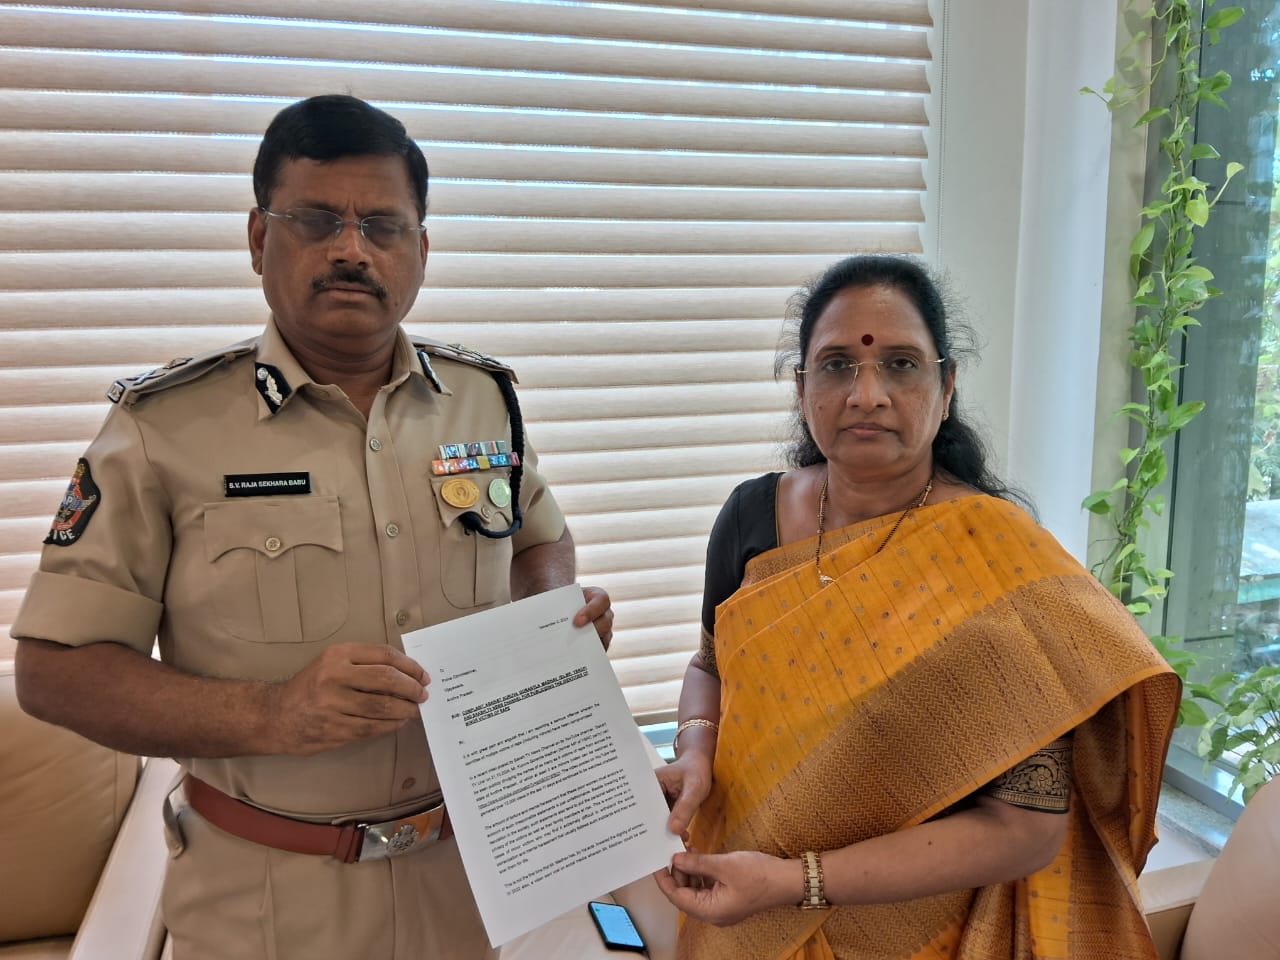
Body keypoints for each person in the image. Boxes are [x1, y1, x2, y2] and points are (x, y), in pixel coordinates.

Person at [10, 94, 613, 960]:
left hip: (470, 883)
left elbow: (538, 539)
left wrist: (550, 624)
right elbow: (55, 672)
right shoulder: (163, 428)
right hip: (265, 898)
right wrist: (274, 713)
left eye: (382, 226)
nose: (351, 250)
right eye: (317, 221)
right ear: (259, 237)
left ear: (421, 249)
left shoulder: (482, 402)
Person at [653, 254, 1179, 960]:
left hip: (907, 932)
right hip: (732, 897)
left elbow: (1026, 830)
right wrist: (695, 749)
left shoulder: (1000, 570)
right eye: (837, 366)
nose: (866, 394)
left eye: (900, 365)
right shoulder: (752, 515)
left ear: (946, 385)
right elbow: (710, 667)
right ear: (802, 387)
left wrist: (793, 881)